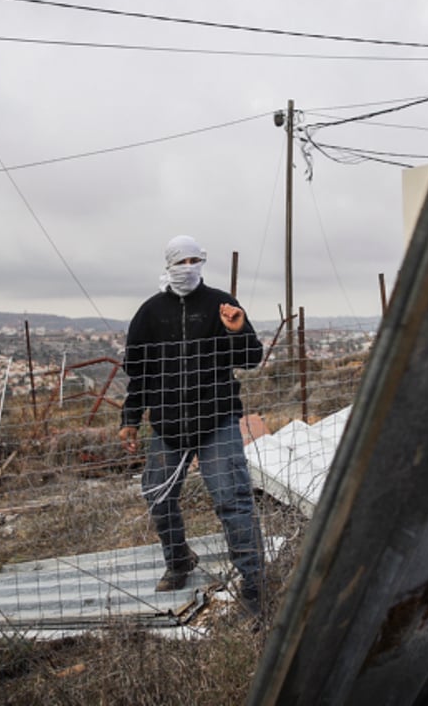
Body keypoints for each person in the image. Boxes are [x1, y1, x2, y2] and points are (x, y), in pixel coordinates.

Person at [118, 235, 267, 616]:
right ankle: (180, 559)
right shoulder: (150, 313)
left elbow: (251, 357)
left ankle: (254, 586)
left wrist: (236, 330)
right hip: (168, 426)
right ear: (168, 265)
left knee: (232, 500)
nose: (188, 267)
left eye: (194, 260)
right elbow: (140, 374)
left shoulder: (222, 305)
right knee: (158, 494)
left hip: (216, 421)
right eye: (181, 261)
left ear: (202, 262)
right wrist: (130, 420)